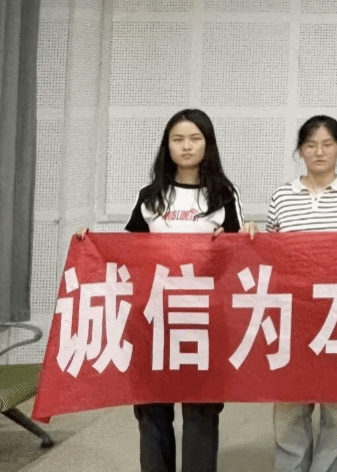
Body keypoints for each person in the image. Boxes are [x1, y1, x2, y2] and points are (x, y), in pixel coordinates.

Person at [253, 116, 337, 472]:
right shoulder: (282, 196)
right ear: (300, 151)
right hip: (293, 314)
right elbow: (271, 253)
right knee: (290, 403)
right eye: (310, 145)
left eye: (327, 144)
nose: (319, 152)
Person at [125, 108, 240, 472]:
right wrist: (89, 241)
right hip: (155, 317)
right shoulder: (151, 195)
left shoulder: (223, 195)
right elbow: (128, 252)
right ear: (167, 146)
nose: (186, 146)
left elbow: (236, 260)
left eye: (194, 139)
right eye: (178, 139)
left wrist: (231, 244)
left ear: (208, 144)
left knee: (202, 408)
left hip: (203, 317)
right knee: (153, 407)